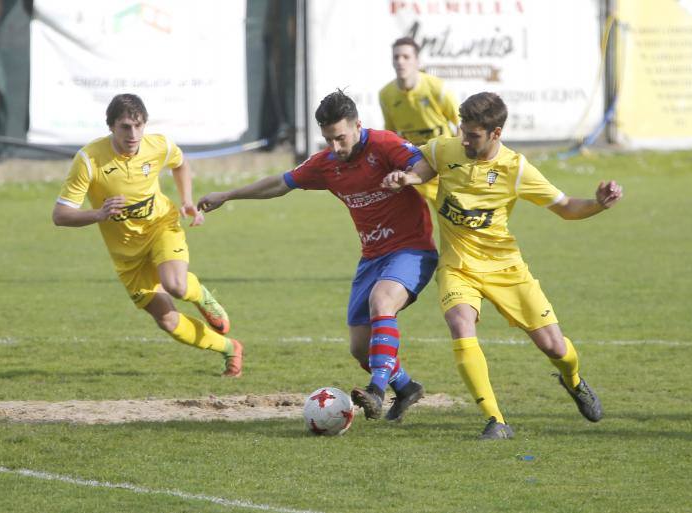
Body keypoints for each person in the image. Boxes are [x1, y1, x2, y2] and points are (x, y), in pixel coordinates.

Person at [383, 92, 623, 439]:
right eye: (463, 130)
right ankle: (496, 420)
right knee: (460, 322)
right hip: (458, 266)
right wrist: (407, 178)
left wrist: (599, 204)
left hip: (505, 268)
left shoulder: (516, 168)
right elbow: (424, 168)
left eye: (473, 135)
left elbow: (567, 207)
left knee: (556, 347)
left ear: (496, 133)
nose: (464, 139)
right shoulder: (444, 149)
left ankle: (573, 380)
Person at [198, 90, 438, 422]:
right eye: (328, 140)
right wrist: (228, 194)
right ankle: (408, 387)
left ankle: (377, 392)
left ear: (358, 125)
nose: (335, 148)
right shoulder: (326, 164)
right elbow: (279, 185)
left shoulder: (384, 145)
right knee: (359, 347)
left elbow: (425, 166)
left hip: (412, 249)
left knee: (382, 302)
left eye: (340, 138)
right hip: (372, 257)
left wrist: (408, 177)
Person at [51, 93, 244, 378]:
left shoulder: (158, 145)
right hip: (127, 255)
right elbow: (60, 215)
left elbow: (180, 164)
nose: (133, 134)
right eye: (125, 127)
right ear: (111, 127)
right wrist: (99, 214)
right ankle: (230, 348)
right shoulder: (89, 160)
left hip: (160, 227)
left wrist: (187, 200)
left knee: (176, 285)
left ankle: (201, 296)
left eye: (139, 126)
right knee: (167, 320)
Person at [379, 37, 460, 203]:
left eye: (406, 57)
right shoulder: (386, 94)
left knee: (457, 221)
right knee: (408, 222)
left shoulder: (437, 88)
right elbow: (391, 134)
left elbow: (461, 123)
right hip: (413, 168)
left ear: (417, 61)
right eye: (396, 57)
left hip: (443, 166)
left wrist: (456, 160)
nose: (400, 62)